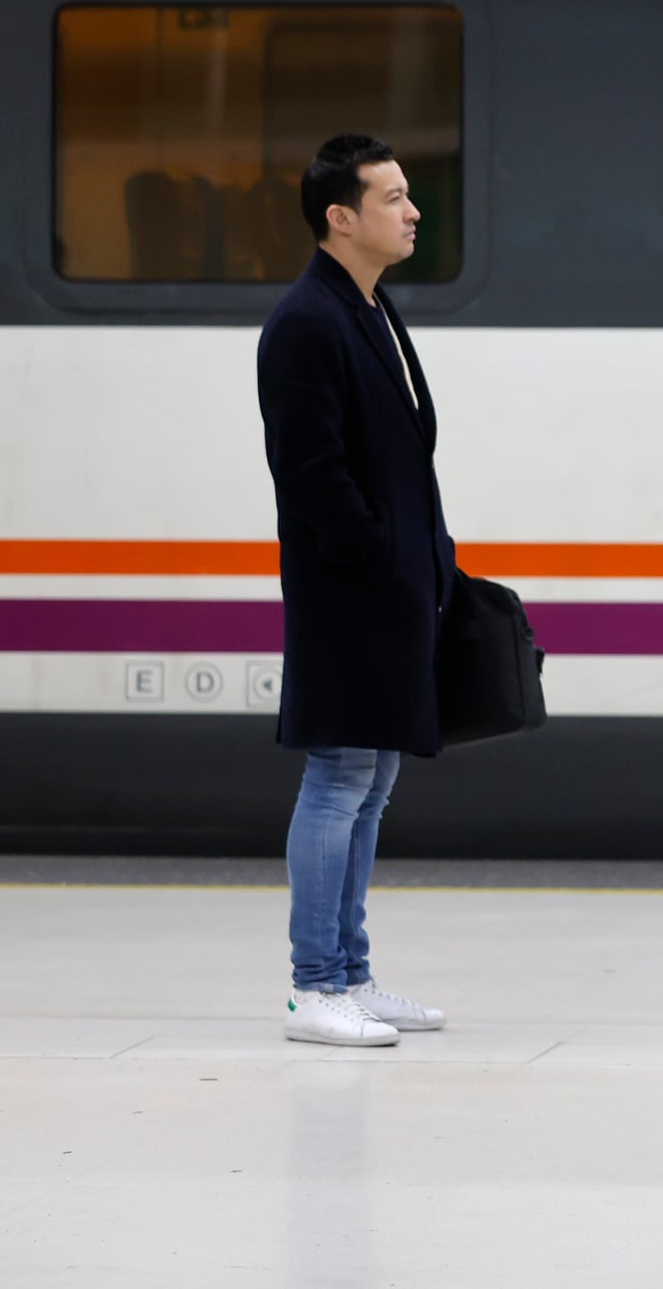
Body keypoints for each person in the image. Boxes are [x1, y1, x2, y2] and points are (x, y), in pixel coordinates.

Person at [254, 133, 455, 1049]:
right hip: (348, 591)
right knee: (339, 776)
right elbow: (311, 472)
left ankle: (353, 972)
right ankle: (313, 986)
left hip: (394, 585)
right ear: (342, 216)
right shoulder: (307, 322)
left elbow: (406, 452)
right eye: (394, 197)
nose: (412, 211)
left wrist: (432, 560)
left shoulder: (370, 308)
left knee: (371, 784)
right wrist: (377, 555)